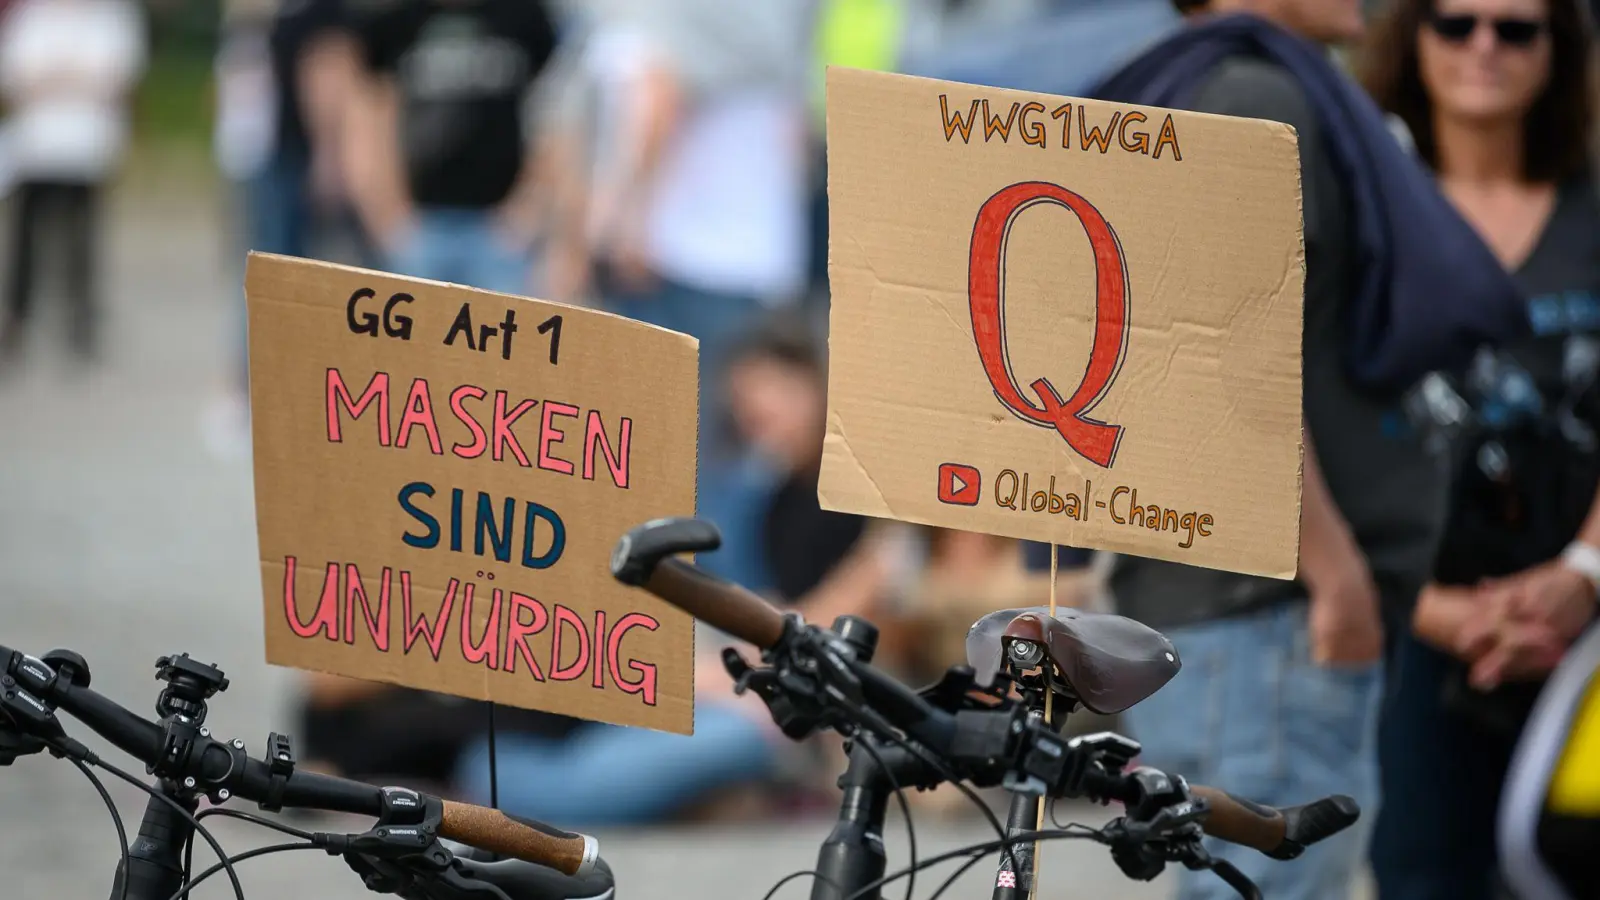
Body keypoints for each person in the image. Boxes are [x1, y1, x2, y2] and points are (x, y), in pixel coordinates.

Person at [1082, 0, 1525, 897]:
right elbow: (1221, 360)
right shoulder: (1253, 94)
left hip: (1249, 623)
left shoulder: (1231, 81)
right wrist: (1335, 574)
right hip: (1269, 623)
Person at [1357, 2, 1600, 898]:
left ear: (1560, 49)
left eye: (1517, 27)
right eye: (1456, 24)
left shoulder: (1594, 200)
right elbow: (1315, 425)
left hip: (1586, 624)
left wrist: (1583, 573)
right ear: (1411, 39)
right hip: (1412, 624)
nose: (1485, 47)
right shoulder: (1367, 208)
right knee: (1422, 877)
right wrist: (1433, 610)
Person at [578, 1, 820, 594]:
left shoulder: (677, 18)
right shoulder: (770, 25)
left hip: (697, 256)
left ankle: (716, 614)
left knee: (702, 459)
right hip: (748, 251)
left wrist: (620, 217)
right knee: (734, 456)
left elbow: (659, 100)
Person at [344, 0, 561, 295]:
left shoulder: (526, 17)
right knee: (413, 339)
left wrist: (527, 211)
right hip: (418, 227)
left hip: (501, 231)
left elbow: (553, 118)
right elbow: (369, 119)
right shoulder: (395, 23)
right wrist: (388, 218)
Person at [0, 0, 146, 364]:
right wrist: (72, 80)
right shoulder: (32, 17)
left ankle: (80, 321)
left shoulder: (109, 16)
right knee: (28, 240)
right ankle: (19, 317)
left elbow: (115, 78)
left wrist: (58, 79)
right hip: (36, 148)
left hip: (87, 148)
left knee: (81, 241)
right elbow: (19, 79)